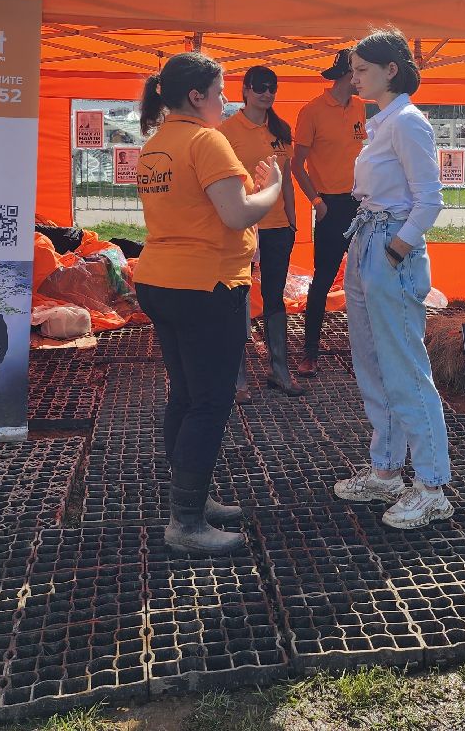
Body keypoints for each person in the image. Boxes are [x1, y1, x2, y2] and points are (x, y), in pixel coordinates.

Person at [133, 52, 282, 555]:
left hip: (161, 282)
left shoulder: (156, 144)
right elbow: (237, 214)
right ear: (197, 97)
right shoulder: (205, 140)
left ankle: (189, 500)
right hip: (206, 286)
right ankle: (186, 522)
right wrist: (273, 190)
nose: (225, 103)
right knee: (210, 402)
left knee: (185, 393)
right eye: (220, 94)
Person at [333, 28, 452, 529]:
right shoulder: (384, 120)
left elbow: (431, 199)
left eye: (361, 70)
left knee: (404, 367)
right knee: (373, 364)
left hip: (388, 245)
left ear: (391, 71)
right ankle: (386, 471)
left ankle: (431, 486)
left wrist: (395, 248)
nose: (354, 78)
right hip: (369, 240)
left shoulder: (407, 122)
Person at [220, 65, 305, 400]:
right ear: (245, 90)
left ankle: (279, 371)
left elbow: (285, 182)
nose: (267, 93)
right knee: (239, 298)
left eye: (273, 88)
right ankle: (238, 378)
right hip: (243, 229)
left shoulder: (281, 131)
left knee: (274, 299)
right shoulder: (227, 131)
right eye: (260, 87)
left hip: (278, 228)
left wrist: (294, 221)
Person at [291, 50, 368, 375]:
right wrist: (317, 202)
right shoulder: (312, 111)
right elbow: (296, 164)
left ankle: (370, 350)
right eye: (360, 73)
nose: (364, 80)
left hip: (362, 204)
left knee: (369, 277)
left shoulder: (361, 107)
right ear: (347, 75)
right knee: (322, 281)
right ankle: (310, 352)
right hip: (330, 207)